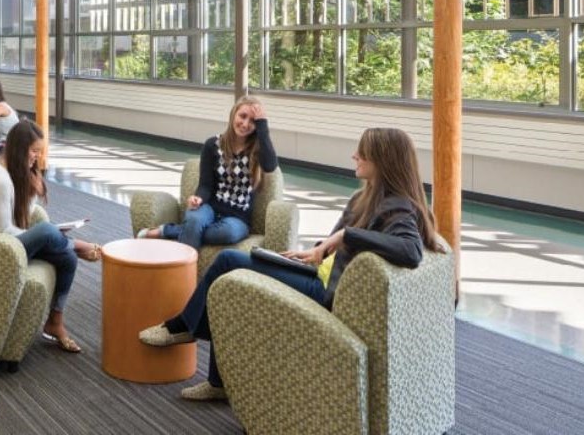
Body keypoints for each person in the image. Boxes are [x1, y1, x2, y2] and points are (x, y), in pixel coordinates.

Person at [138, 127, 445, 400]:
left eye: (362, 153)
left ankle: (184, 326)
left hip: (326, 292)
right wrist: (314, 252)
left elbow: (410, 251)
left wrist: (347, 235)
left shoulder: (397, 207)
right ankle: (217, 380)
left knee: (229, 260)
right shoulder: (362, 198)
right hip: (316, 273)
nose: (355, 156)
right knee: (230, 279)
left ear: (383, 160)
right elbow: (332, 248)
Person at [0, 120, 102, 354]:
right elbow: (5, 231)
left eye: (40, 151)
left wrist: (32, 193)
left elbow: (22, 222)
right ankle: (78, 245)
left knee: (67, 258)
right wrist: (47, 234)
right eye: (34, 151)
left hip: (3, 246)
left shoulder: (13, 174)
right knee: (48, 231)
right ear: (19, 149)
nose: (37, 157)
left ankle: (55, 321)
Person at [137, 96, 277, 251]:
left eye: (252, 121)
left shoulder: (257, 151)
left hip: (237, 219)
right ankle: (184, 264)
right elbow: (205, 185)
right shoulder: (212, 145)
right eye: (242, 116)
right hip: (210, 207)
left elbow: (270, 166)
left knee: (227, 233)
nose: (245, 124)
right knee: (194, 219)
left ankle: (168, 231)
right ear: (233, 114)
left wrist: (263, 126)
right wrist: (199, 198)